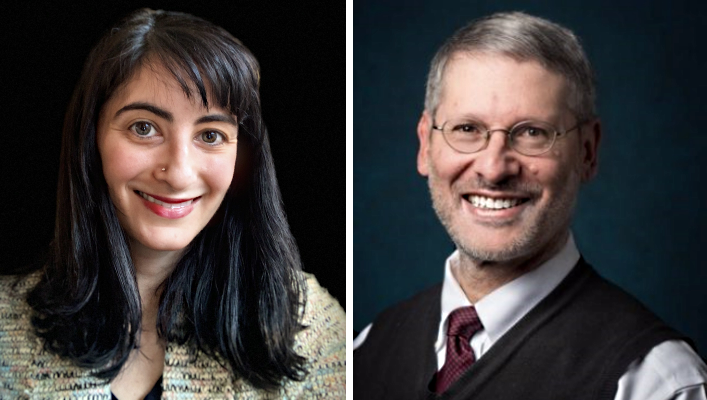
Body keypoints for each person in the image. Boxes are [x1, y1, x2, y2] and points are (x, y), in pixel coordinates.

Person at [354, 11, 707, 400]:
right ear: (425, 145)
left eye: (532, 133)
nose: (493, 168)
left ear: (587, 151)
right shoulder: (367, 348)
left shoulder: (655, 384)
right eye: (467, 129)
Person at [0, 8, 345, 399]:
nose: (179, 173)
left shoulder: (310, 326)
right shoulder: (4, 329)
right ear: (89, 139)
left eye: (211, 135)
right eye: (143, 128)